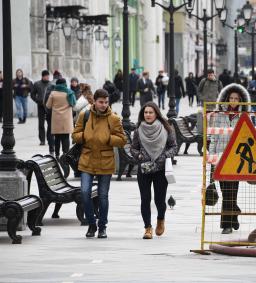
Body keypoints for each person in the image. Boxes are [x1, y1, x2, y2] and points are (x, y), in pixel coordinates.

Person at [72, 89, 127, 238]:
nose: (103, 105)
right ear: (94, 102)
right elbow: (75, 135)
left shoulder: (114, 119)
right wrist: (84, 136)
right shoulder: (85, 115)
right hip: (87, 159)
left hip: (106, 161)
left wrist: (109, 138)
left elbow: (122, 139)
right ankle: (91, 224)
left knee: (103, 196)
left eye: (106, 102)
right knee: (84, 193)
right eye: (101, 102)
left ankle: (102, 226)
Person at [130, 102, 177, 239]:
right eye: (146, 112)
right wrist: (139, 155)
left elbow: (173, 147)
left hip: (161, 170)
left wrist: (164, 156)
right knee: (145, 199)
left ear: (156, 113)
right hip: (144, 169)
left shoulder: (166, 128)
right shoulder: (138, 130)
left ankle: (160, 220)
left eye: (151, 112)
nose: (148, 115)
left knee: (159, 200)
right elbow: (133, 148)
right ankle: (147, 228)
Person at [209, 83, 250, 234]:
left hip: (236, 158)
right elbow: (213, 136)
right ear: (226, 99)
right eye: (230, 98)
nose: (233, 101)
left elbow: (248, 136)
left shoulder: (243, 116)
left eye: (236, 99)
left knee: (232, 191)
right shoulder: (219, 115)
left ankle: (229, 221)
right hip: (220, 157)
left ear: (240, 101)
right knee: (225, 190)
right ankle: (230, 219)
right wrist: (212, 157)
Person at [46, 78, 76, 160]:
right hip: (66, 119)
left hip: (56, 119)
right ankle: (66, 155)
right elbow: (74, 104)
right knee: (66, 137)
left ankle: (57, 155)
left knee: (57, 138)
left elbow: (48, 105)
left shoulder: (53, 93)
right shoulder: (69, 92)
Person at [31, 70, 51, 145]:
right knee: (41, 124)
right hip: (40, 106)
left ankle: (49, 139)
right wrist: (37, 100)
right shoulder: (37, 84)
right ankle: (42, 140)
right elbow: (32, 94)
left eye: (48, 76)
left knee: (50, 124)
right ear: (43, 76)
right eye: (46, 76)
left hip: (49, 107)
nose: (47, 77)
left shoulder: (51, 84)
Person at [44, 70, 62, 155]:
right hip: (60, 113)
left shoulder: (49, 85)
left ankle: (51, 150)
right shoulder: (63, 85)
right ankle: (59, 151)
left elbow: (45, 100)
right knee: (59, 132)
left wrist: (47, 111)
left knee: (50, 131)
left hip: (51, 112)